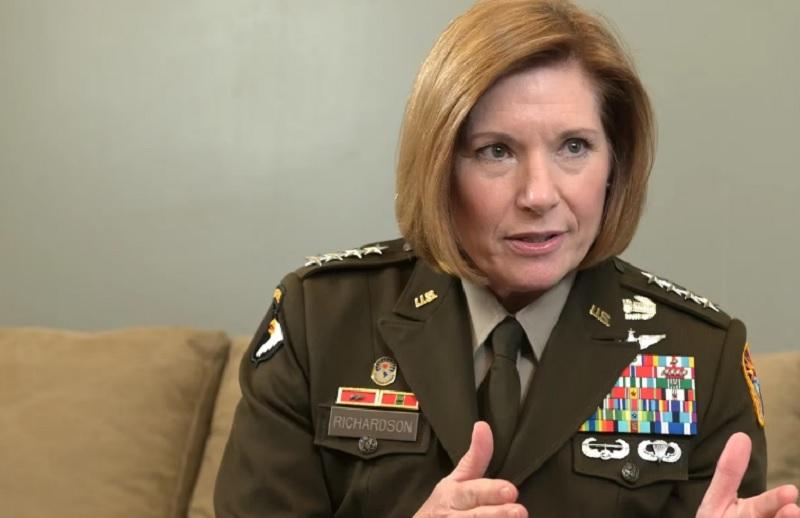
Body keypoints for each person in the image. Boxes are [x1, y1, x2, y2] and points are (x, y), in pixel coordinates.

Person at [215, 1, 800, 516]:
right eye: (496, 151)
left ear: (614, 164)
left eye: (575, 146)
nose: (539, 194)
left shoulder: (702, 355)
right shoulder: (319, 320)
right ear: (439, 168)